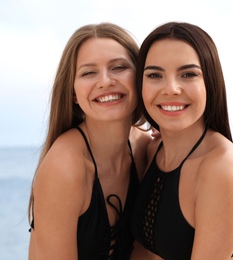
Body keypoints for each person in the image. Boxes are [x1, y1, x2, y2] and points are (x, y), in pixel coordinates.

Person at [27, 23, 152, 259]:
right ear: (73, 92)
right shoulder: (64, 168)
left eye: (118, 67)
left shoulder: (147, 148)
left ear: (140, 77)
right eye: (88, 72)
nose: (105, 81)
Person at [131, 22, 233, 259]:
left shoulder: (222, 167)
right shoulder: (153, 149)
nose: (171, 89)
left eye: (188, 74)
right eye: (155, 75)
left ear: (210, 82)